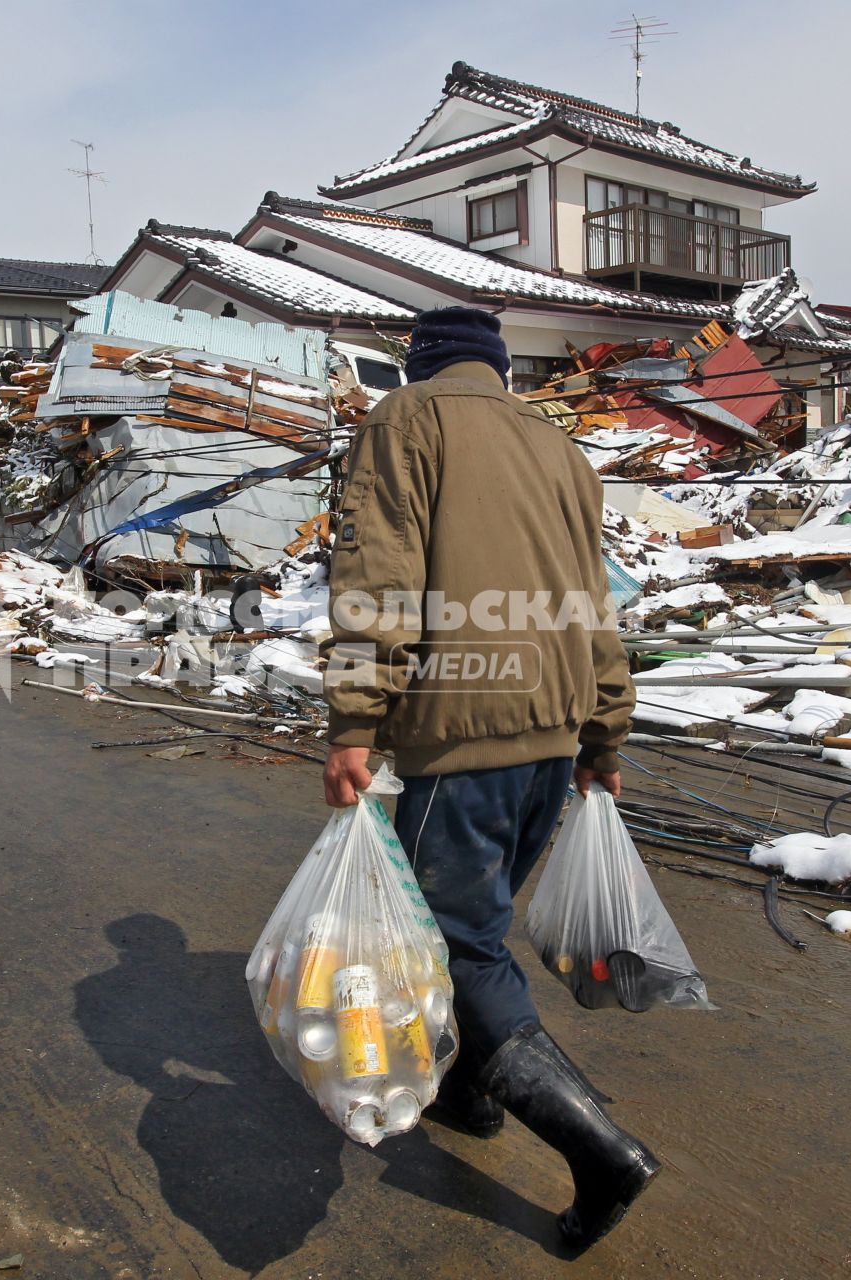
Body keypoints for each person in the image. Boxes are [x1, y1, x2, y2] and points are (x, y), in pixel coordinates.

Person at [320, 307, 652, 1249]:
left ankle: (601, 1154)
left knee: (449, 947)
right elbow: (593, 598)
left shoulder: (403, 420)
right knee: (476, 926)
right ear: (498, 369)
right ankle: (470, 1094)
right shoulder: (559, 450)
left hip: (458, 734)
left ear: (418, 367)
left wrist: (353, 719)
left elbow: (377, 577)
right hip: (549, 736)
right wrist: (602, 737)